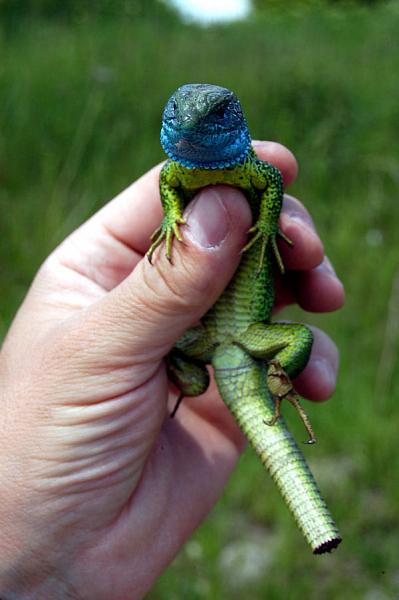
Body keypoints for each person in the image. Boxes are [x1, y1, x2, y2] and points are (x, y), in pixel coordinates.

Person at [0, 142, 344, 599]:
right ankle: (214, 376)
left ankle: (277, 394)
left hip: (235, 343)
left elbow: (273, 180)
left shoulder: (251, 168)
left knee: (299, 341)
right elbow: (169, 184)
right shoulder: (175, 175)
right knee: (288, 341)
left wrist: (266, 223)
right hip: (218, 345)